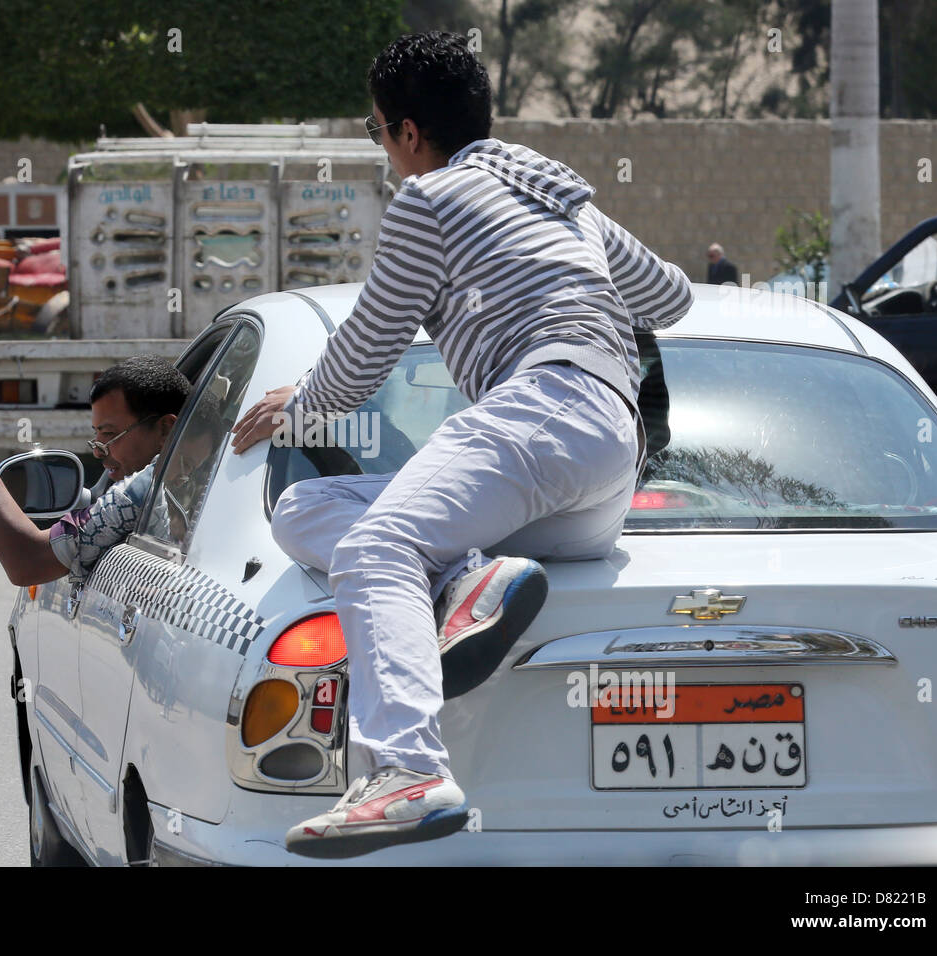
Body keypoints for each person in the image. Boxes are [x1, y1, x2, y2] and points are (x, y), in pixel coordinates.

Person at [230, 31, 693, 859]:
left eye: (378, 133)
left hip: (545, 406)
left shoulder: (430, 198)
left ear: (409, 133)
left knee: (375, 549)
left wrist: (297, 408)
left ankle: (407, 770)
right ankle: (469, 579)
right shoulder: (561, 200)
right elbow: (672, 294)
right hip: (603, 466)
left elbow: (368, 348)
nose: (383, 151)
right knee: (306, 508)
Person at [0, 355, 191, 588]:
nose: (98, 452)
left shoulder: (140, 491)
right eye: (96, 436)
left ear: (165, 430)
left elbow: (28, 561)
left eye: (108, 434)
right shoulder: (221, 470)